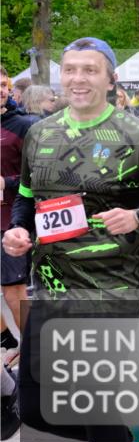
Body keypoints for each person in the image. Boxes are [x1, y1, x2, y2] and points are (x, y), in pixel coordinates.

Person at [3, 37, 139, 442]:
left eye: (90, 70)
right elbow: (25, 198)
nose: (78, 78)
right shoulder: (40, 133)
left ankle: (111, 438)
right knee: (34, 409)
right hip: (50, 286)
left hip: (111, 289)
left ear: (110, 79)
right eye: (70, 69)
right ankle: (124, 435)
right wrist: (18, 231)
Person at [0, 67, 39, 369]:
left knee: (14, 291)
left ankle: (34, 354)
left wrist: (7, 183)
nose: (1, 90)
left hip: (9, 222)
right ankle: (7, 342)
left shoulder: (22, 125)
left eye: (4, 85)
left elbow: (37, 171)